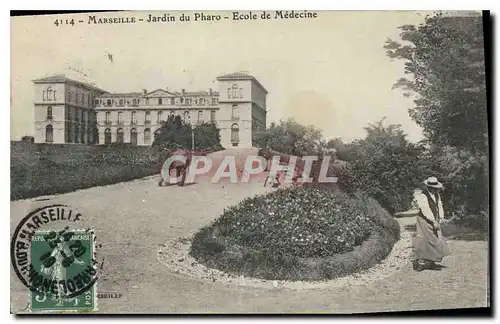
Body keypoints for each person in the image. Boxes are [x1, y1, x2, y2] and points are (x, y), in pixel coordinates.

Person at [413, 176, 451, 271]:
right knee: (425, 240)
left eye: (436, 188)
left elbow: (439, 206)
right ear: (428, 187)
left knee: (436, 239)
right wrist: (433, 221)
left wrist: (441, 218)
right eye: (434, 188)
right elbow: (425, 209)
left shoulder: (437, 195)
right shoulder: (423, 196)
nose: (435, 189)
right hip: (424, 220)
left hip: (433, 220)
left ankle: (431, 261)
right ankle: (420, 263)